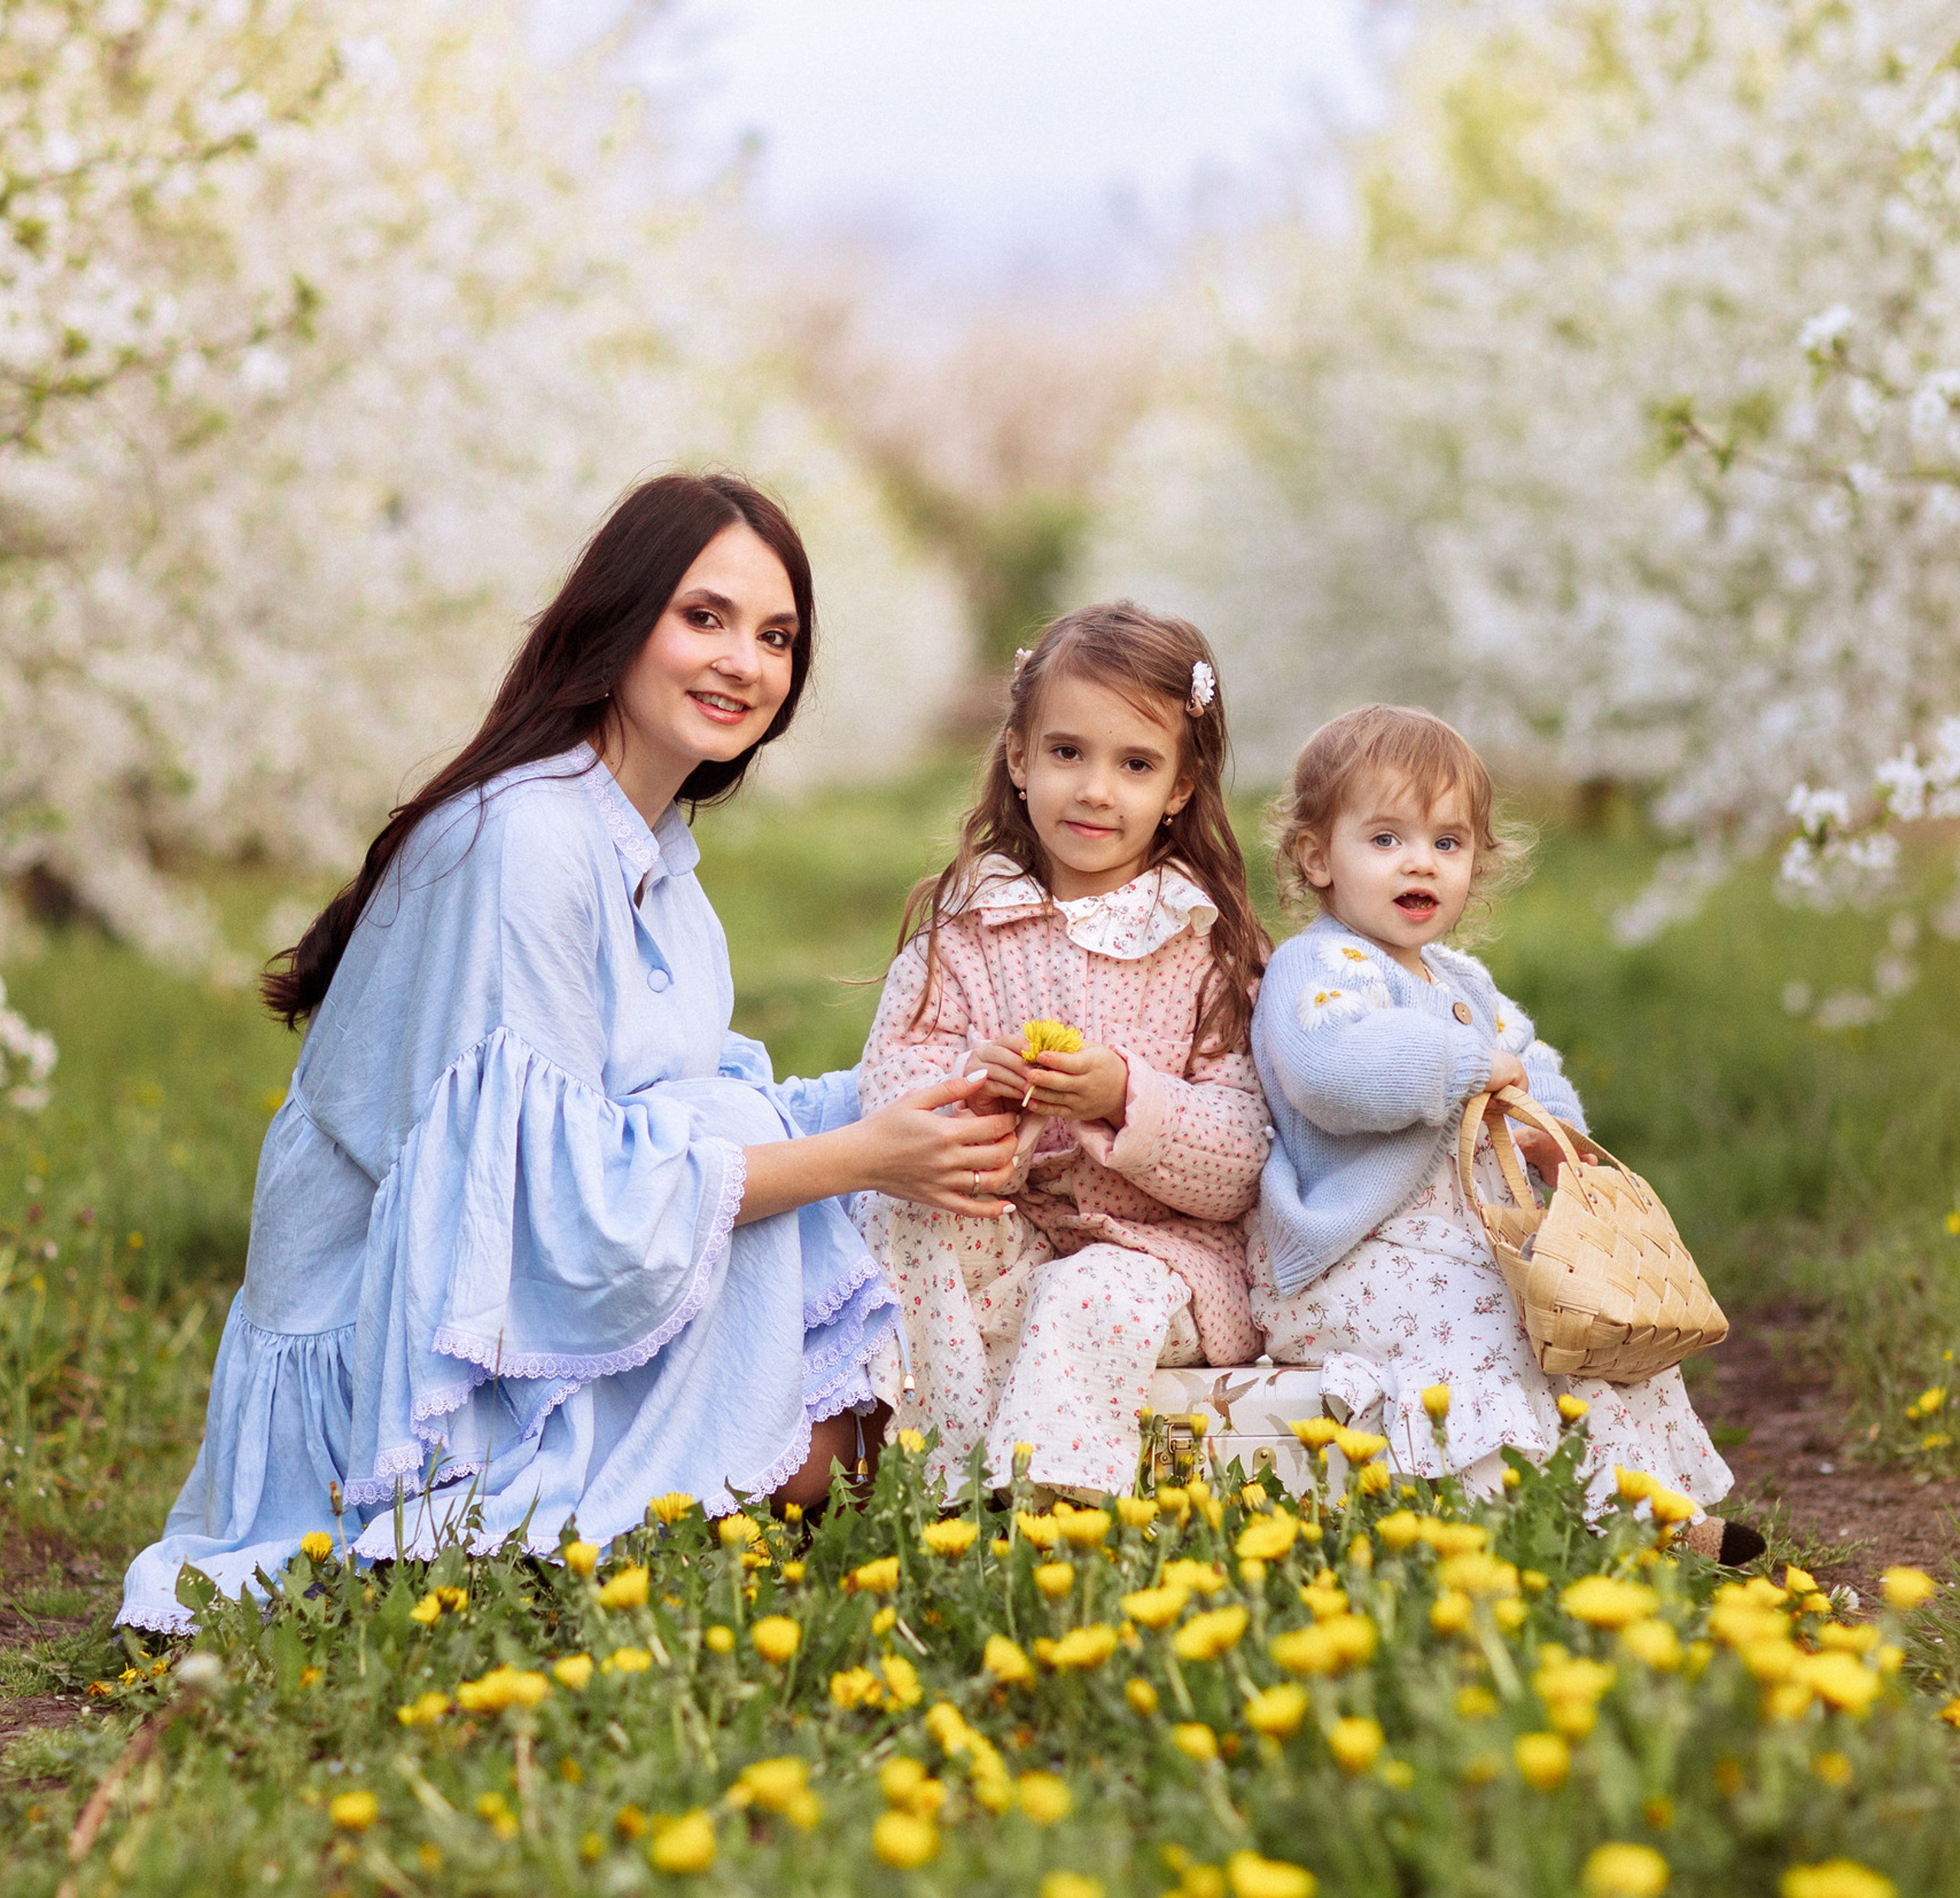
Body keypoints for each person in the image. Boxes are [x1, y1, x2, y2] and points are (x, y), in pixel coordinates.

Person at [119, 472, 1017, 1631]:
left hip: (533, 1286)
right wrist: (861, 1158)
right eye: (705, 618)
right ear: (619, 619)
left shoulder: (656, 858)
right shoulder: (528, 839)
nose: (743, 662)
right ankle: (482, 1513)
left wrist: (918, 1096)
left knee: (857, 1434)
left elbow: (671, 1106)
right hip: (412, 1346)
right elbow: (549, 1196)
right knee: (842, 1448)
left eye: (776, 636)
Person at [1250, 704, 1760, 1560]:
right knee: (1488, 1323)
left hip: (1461, 1242)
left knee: (1581, 1312)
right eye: (1385, 839)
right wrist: (1458, 1066)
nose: (1420, 860)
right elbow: (1331, 1069)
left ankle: (1646, 1507)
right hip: (1356, 1257)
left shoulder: (1464, 980)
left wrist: (1551, 1137)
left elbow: (1530, 1064)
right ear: (1315, 857)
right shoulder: (1319, 965)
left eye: (1447, 843)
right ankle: (1507, 1514)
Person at [854, 603, 1272, 1499]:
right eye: (1067, 753)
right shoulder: (969, 925)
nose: (1094, 789)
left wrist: (1126, 1096)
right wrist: (977, 1094)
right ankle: (949, 1479)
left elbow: (1244, 1156)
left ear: (1180, 788)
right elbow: (888, 1079)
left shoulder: (1203, 944)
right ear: (1017, 758)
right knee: (909, 1217)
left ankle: (1050, 1503)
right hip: (1008, 1231)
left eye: (1135, 764)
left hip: (1153, 1254)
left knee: (1086, 1298)